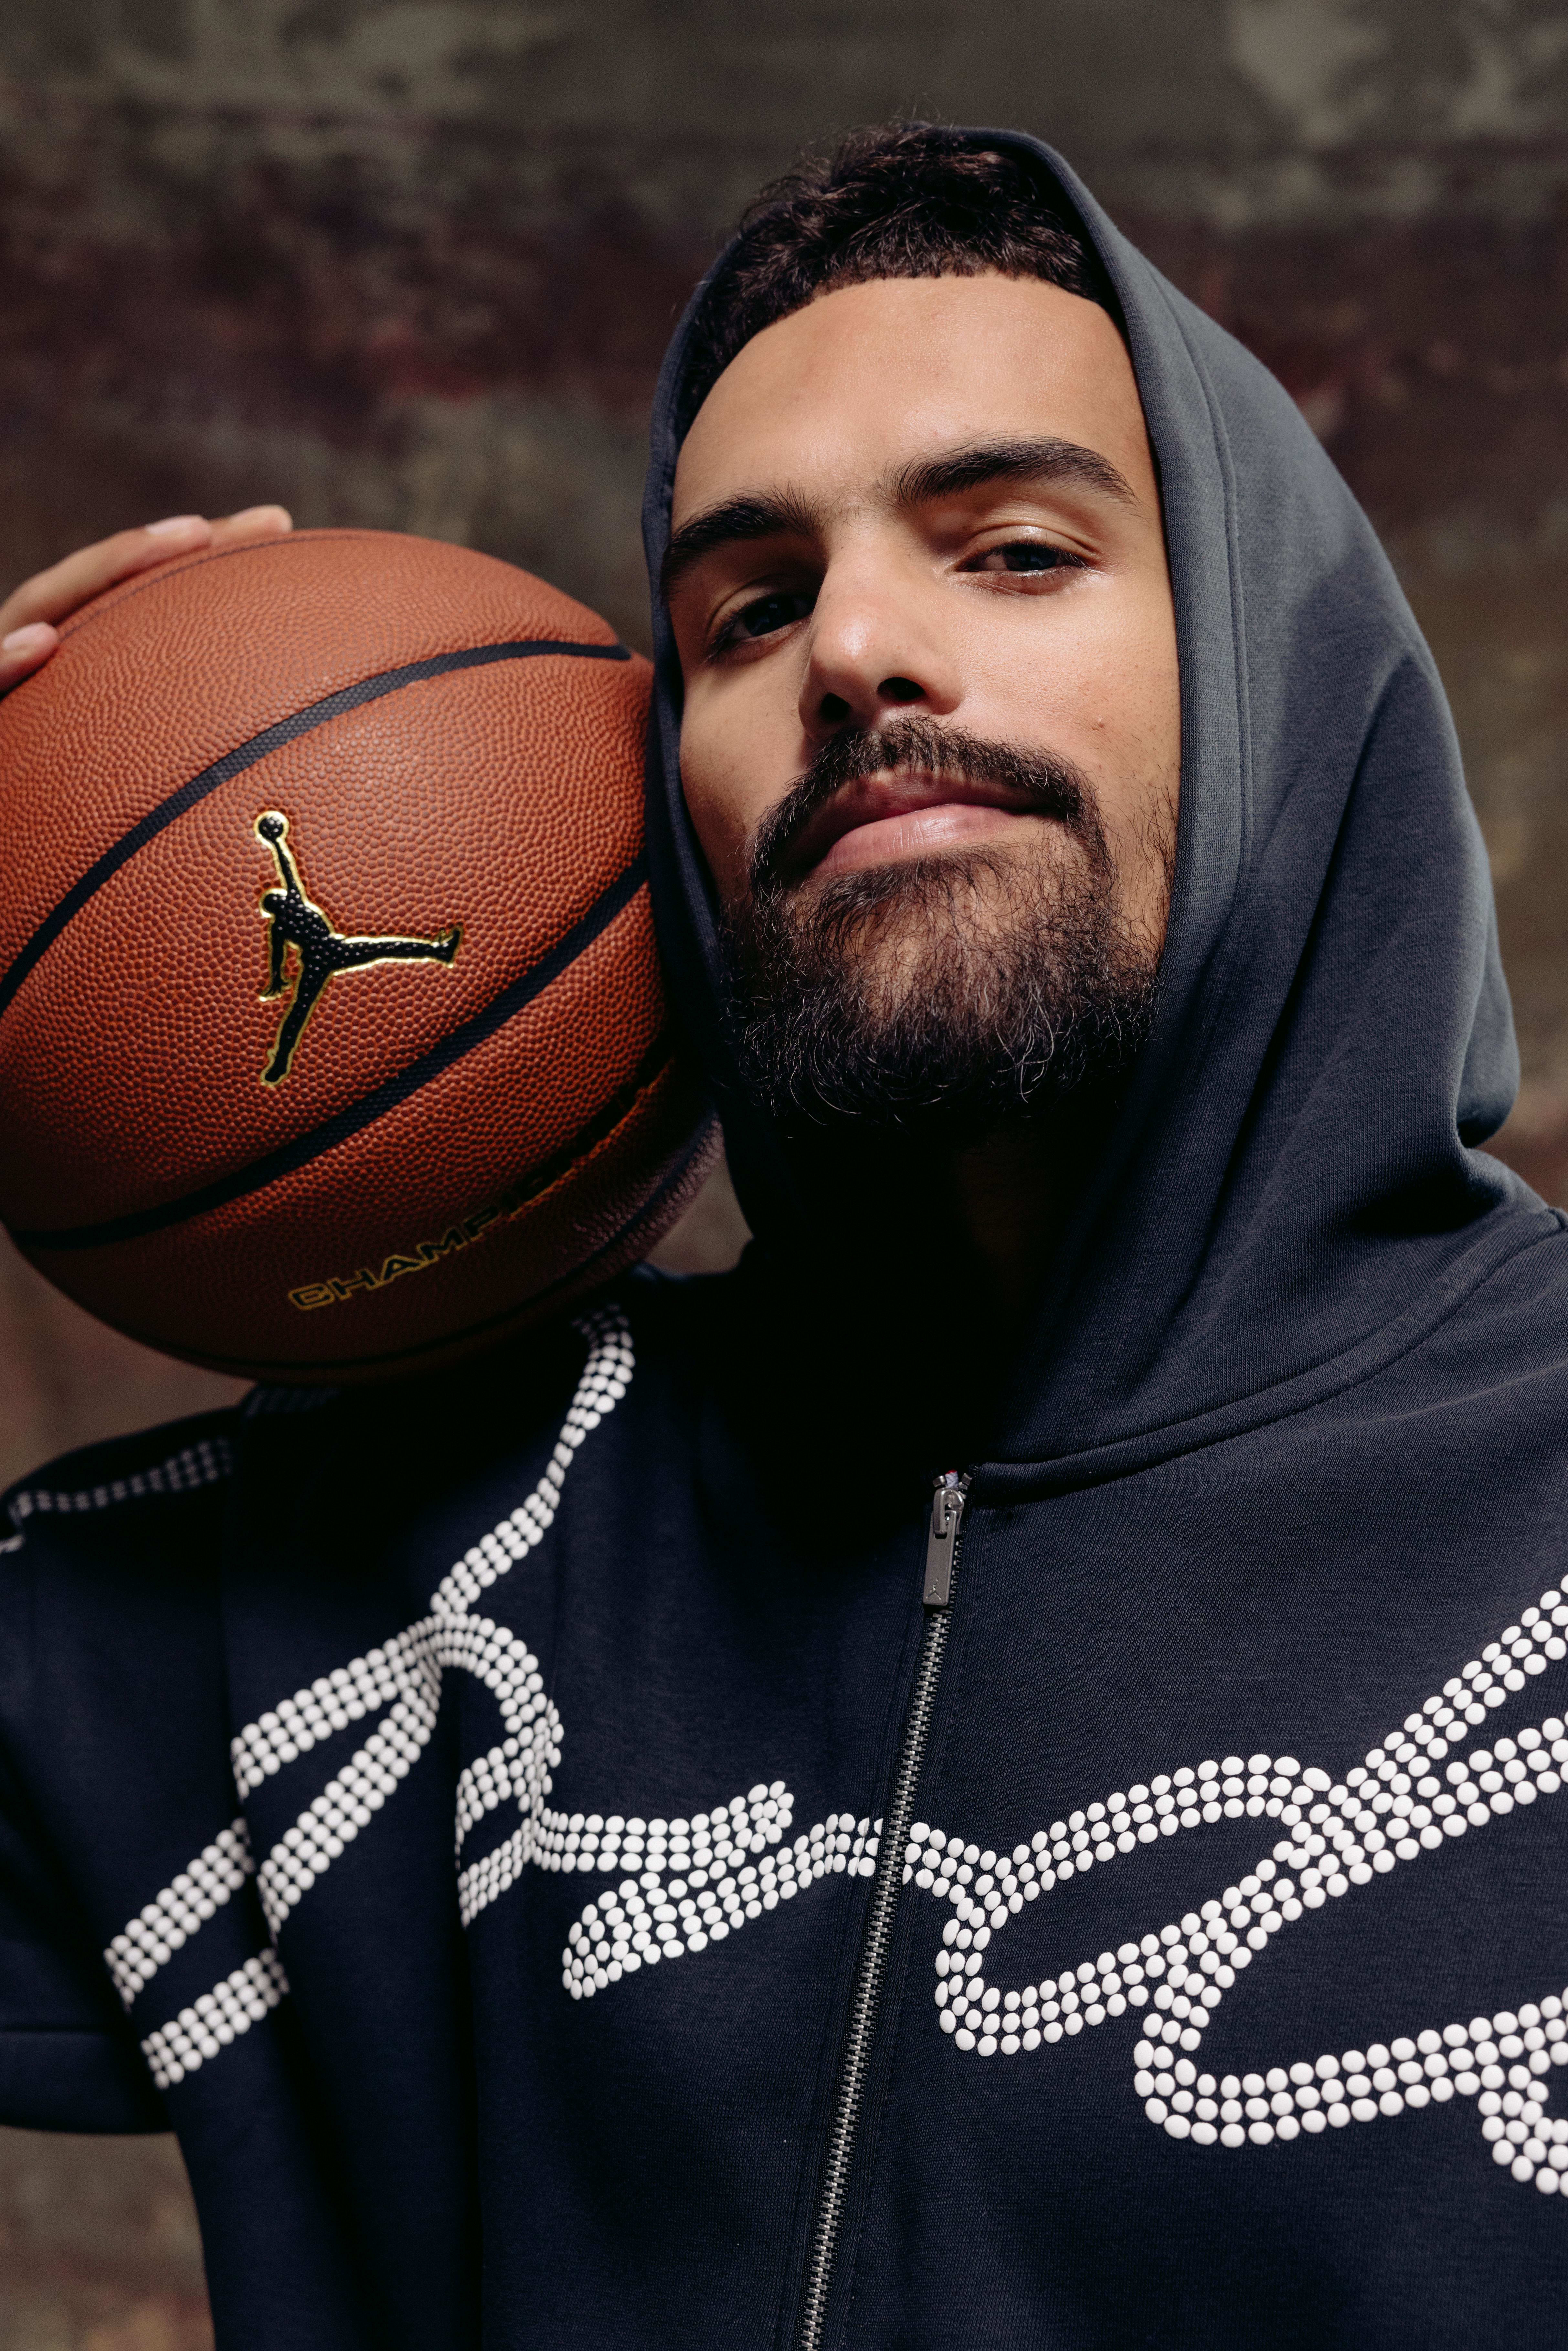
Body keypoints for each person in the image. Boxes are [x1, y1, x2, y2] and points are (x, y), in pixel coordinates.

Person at [2, 123, 1566, 2351]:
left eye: (1012, 549)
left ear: (1273, 659)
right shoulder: (408, 1544)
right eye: (746, 604)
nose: (852, 646)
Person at [254, 809, 461, 1085]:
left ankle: (281, 1061)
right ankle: (438, 951)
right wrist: (278, 844)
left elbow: (278, 956)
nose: (281, 894)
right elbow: (289, 873)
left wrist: (278, 977)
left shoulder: (282, 923)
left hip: (319, 959)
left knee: (300, 1011)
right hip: (331, 951)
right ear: (279, 904)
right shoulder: (293, 907)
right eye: (278, 897)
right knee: (385, 947)